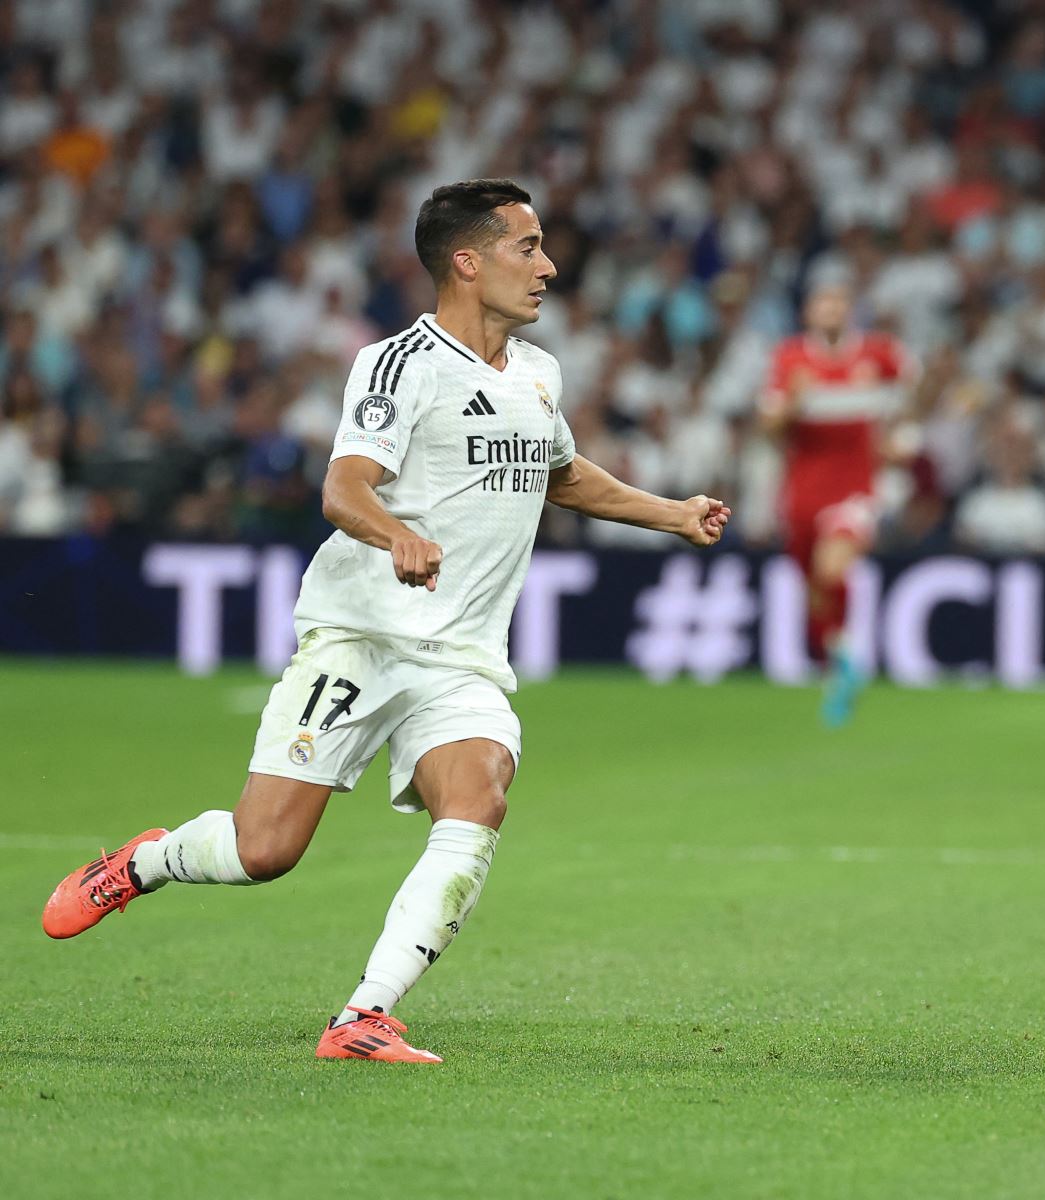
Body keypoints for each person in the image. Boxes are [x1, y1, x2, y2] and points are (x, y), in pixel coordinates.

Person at [42, 179, 731, 1063]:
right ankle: (141, 863)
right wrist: (395, 533)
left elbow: (562, 475)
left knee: (480, 794)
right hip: (362, 639)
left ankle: (363, 1016)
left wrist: (669, 513)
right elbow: (344, 487)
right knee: (265, 850)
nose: (549, 266)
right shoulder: (398, 364)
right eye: (528, 246)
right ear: (466, 261)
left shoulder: (538, 375)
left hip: (461, 660)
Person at [760, 280, 913, 726]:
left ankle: (847, 662)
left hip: (856, 489)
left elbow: (911, 402)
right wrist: (793, 404)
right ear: (809, 312)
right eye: (822, 302)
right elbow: (769, 428)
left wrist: (904, 442)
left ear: (850, 310)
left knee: (832, 568)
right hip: (804, 491)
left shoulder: (879, 354)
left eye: (838, 302)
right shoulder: (790, 358)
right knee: (814, 591)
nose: (830, 310)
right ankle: (840, 662)